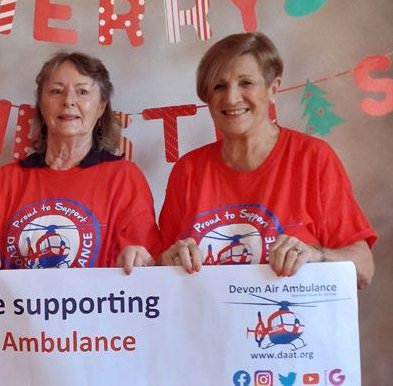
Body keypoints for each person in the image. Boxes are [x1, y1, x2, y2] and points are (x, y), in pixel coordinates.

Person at [157, 32, 376, 289]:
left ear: (273, 88)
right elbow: (159, 263)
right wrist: (169, 260)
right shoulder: (188, 170)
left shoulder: (312, 158)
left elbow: (364, 269)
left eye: (246, 83)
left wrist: (317, 256)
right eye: (219, 86)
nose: (231, 98)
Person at [0, 52, 159, 276]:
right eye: (56, 91)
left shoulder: (125, 178)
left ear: (101, 106)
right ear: (41, 105)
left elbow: (149, 265)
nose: (68, 101)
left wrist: (141, 259)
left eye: (82, 92)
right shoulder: (7, 179)